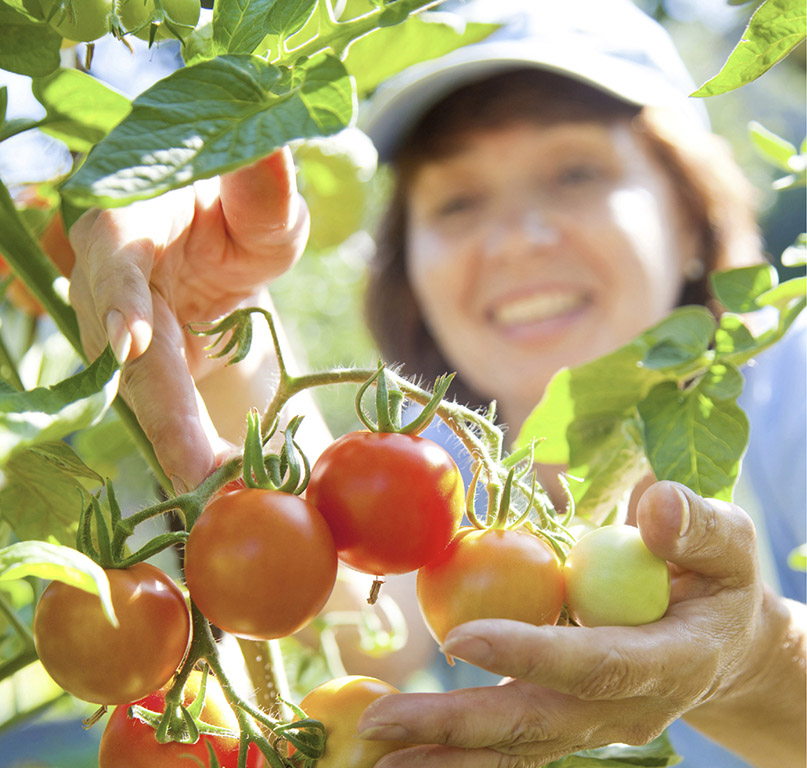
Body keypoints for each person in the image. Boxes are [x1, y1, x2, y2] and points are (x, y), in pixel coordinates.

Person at [66, 0, 806, 766]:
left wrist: (755, 662)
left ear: (688, 210)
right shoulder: (453, 468)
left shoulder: (797, 394)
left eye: (575, 172)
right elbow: (356, 623)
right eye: (456, 200)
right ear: (408, 267)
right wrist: (214, 328)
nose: (517, 238)